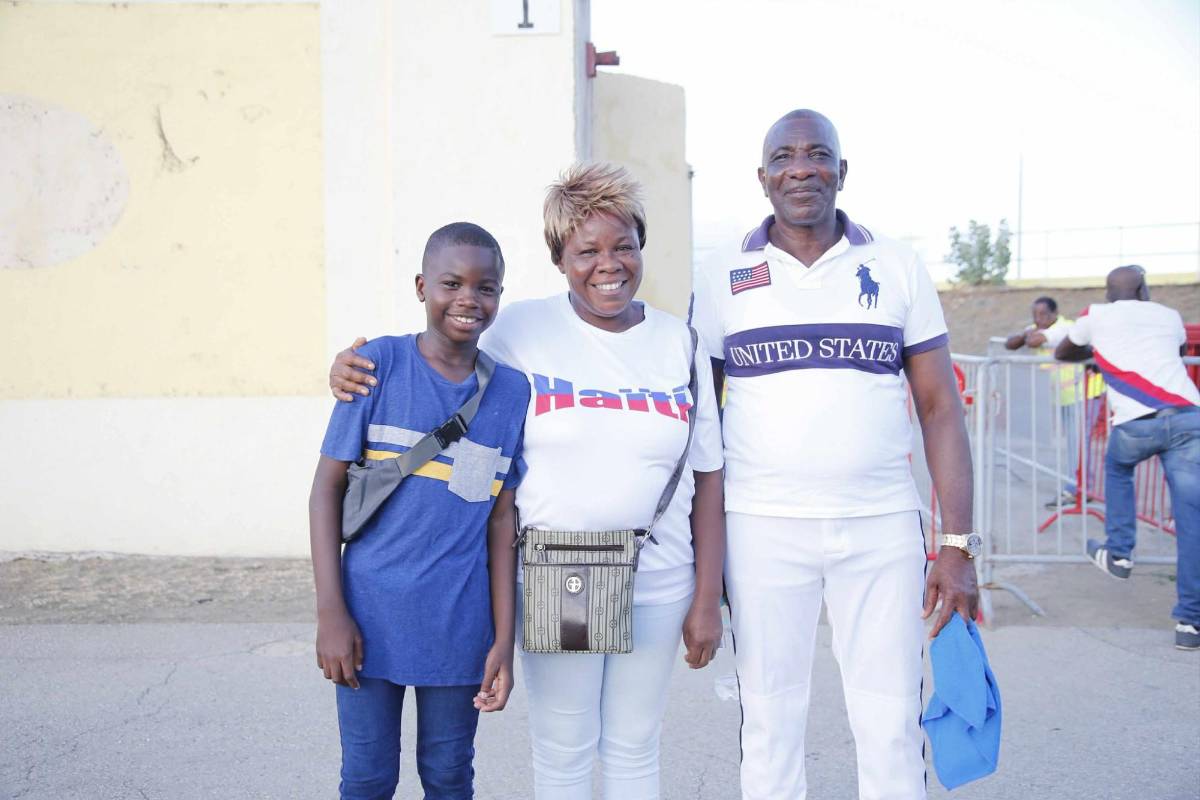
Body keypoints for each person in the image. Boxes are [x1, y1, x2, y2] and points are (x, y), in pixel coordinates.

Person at [329, 163, 727, 799]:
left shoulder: (678, 343)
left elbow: (708, 479)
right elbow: (440, 361)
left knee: (634, 745)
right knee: (566, 748)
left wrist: (708, 597)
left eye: (623, 246)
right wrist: (351, 368)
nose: (608, 264)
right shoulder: (520, 330)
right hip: (566, 574)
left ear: (642, 247)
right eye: (587, 251)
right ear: (559, 258)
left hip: (659, 577)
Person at [688, 109, 979, 800]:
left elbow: (940, 408)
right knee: (770, 720)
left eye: (817, 154)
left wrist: (958, 545)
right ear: (763, 178)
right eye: (784, 158)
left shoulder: (896, 265)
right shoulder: (723, 274)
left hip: (880, 526)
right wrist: (704, 562)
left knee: (889, 721)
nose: (801, 169)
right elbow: (703, 425)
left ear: (842, 171)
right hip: (762, 527)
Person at [309, 222, 530, 799]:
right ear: (421, 287)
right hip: (365, 618)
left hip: (460, 623)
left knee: (450, 775)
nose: (468, 299)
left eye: (486, 287)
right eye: (451, 283)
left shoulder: (511, 393)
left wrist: (502, 640)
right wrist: (330, 613)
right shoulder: (376, 365)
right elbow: (325, 491)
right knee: (367, 776)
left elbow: (500, 522)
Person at [1054, 264, 1200, 651]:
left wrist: (1098, 351)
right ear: (1144, 289)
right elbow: (1176, 354)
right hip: (1187, 417)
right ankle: (1190, 623)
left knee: (1118, 469)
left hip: (1136, 422)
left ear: (1108, 293)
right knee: (1191, 522)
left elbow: (1063, 351)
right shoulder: (1169, 316)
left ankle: (1119, 552)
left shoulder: (1095, 316)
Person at [1005, 296, 1105, 505]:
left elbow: (1034, 341)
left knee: (1078, 443)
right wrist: (1025, 334)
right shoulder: (1035, 328)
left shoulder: (1064, 328)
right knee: (1076, 442)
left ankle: (1077, 488)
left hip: (1085, 392)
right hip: (1067, 396)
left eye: (1043, 314)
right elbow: (1010, 344)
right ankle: (1081, 486)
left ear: (1054, 314)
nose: (1038, 319)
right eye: (1035, 314)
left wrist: (1028, 335)